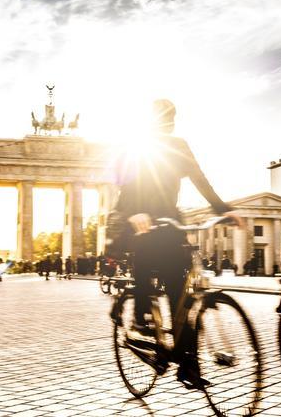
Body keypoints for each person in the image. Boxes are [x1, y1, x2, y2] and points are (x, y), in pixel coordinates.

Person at [105, 98, 242, 384]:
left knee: (182, 294)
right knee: (145, 257)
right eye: (161, 115)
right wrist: (135, 212)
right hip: (141, 219)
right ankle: (140, 320)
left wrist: (223, 209)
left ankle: (188, 365)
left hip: (170, 221)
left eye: (170, 115)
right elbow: (127, 187)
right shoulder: (137, 147)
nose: (166, 120)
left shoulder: (179, 145)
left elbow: (200, 179)